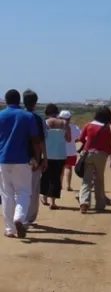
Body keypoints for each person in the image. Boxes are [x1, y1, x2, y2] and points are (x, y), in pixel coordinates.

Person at [0, 89, 41, 238]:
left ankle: (9, 229)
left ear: (6, 100)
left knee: (6, 194)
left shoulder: (1, 115)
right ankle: (19, 218)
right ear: (19, 101)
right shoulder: (27, 116)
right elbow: (36, 140)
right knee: (23, 192)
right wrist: (37, 158)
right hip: (23, 161)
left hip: (3, 160)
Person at [77, 106, 111, 214]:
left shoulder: (88, 125)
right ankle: (100, 204)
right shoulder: (106, 128)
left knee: (86, 179)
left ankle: (84, 202)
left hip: (87, 153)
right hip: (101, 155)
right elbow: (108, 144)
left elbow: (81, 139)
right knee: (99, 179)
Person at [22, 89, 48, 228]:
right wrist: (43, 158)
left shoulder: (18, 116)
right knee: (33, 190)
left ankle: (18, 215)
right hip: (33, 159)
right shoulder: (37, 119)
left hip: (17, 158)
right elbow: (40, 141)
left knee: (17, 190)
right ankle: (28, 218)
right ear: (35, 103)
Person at [40, 104, 71, 210]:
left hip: (47, 154)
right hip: (60, 154)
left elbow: (41, 138)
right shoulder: (64, 123)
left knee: (45, 176)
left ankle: (44, 198)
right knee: (56, 178)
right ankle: (53, 202)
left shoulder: (44, 123)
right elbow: (68, 139)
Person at [58, 110, 80, 192]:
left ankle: (59, 185)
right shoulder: (74, 127)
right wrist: (74, 141)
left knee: (61, 169)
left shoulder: (57, 127)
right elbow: (79, 137)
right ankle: (68, 185)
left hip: (59, 151)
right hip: (71, 151)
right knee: (68, 168)